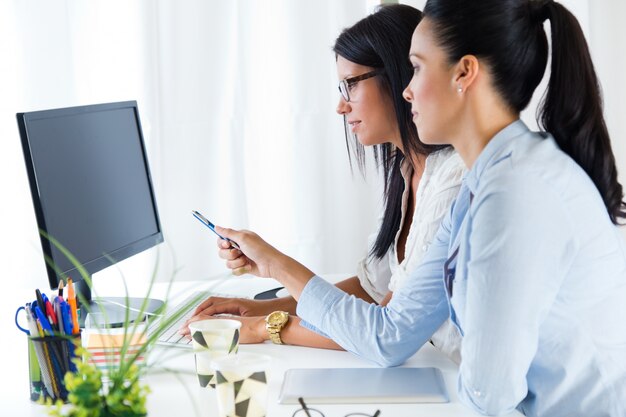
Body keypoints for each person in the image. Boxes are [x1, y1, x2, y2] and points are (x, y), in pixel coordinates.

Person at [197, 0, 626, 416]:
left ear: (464, 73)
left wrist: (275, 276)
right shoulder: (489, 178)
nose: (407, 88)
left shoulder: (511, 192)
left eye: (417, 67)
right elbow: (395, 330)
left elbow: (488, 393)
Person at [181, 4, 465, 361]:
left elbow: (382, 329)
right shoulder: (407, 171)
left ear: (398, 76)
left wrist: (270, 301)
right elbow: (372, 287)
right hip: (436, 367)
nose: (341, 106)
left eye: (350, 85)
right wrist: (253, 307)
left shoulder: (453, 181)